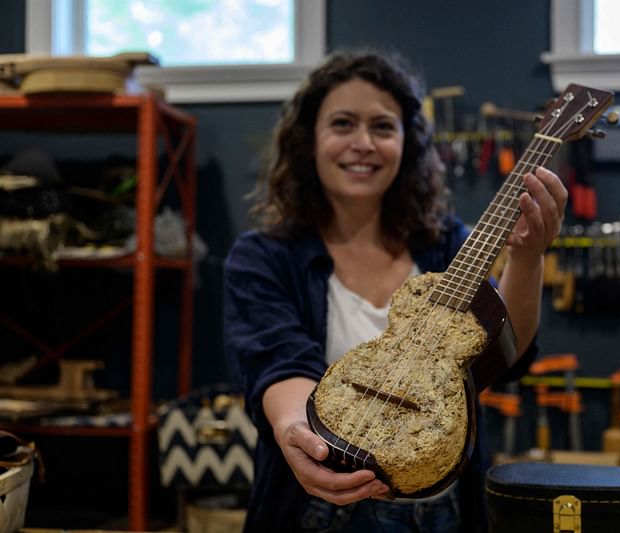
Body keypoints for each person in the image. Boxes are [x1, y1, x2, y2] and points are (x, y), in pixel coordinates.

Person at [223, 48, 567, 533]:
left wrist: (528, 257)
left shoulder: (447, 245)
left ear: (407, 143)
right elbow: (278, 362)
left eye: (382, 127)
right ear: (309, 141)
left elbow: (501, 354)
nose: (363, 143)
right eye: (343, 124)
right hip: (312, 506)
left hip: (444, 511)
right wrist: (297, 431)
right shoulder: (264, 257)